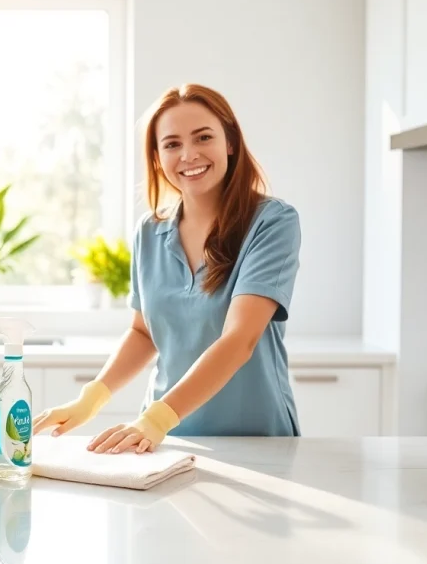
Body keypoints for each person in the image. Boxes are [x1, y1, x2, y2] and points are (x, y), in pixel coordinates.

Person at [32, 83, 302, 454]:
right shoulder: (150, 231)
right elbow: (144, 333)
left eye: (203, 137)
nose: (189, 154)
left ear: (230, 142)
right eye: (172, 144)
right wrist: (91, 398)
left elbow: (241, 340)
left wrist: (157, 418)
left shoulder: (271, 223)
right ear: (157, 157)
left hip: (255, 439)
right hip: (166, 442)